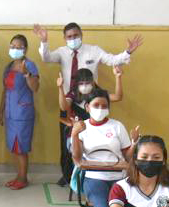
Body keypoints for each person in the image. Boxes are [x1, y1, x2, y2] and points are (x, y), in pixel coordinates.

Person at [33, 22, 142, 186]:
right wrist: (44, 41)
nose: (73, 39)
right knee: (67, 144)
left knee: (93, 141)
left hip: (92, 103)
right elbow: (46, 57)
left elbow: (112, 60)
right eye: (69, 37)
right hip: (70, 102)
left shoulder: (94, 50)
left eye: (75, 35)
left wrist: (127, 52)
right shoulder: (62, 52)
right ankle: (68, 175)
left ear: (81, 35)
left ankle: (91, 174)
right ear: (64, 38)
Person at [70, 89, 133, 207]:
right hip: (93, 177)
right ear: (87, 107)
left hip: (118, 177)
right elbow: (77, 158)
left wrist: (134, 143)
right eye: (96, 105)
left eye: (104, 106)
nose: (100, 109)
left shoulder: (117, 126)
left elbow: (128, 156)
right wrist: (74, 134)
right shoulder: (83, 127)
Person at [0, 34, 40, 189]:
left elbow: (35, 88)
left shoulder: (30, 65)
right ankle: (19, 176)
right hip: (10, 113)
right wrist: (0, 111)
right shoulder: (8, 67)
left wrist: (26, 74)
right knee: (14, 148)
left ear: (25, 49)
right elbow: (5, 90)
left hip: (23, 114)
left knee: (21, 148)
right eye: (12, 46)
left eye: (19, 47)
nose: (15, 49)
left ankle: (23, 179)